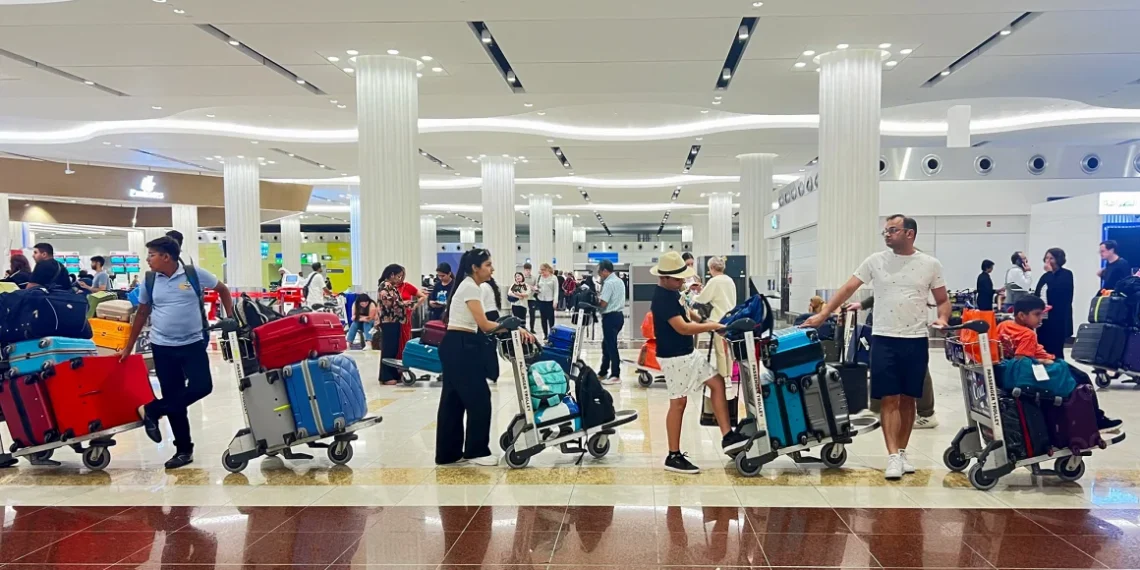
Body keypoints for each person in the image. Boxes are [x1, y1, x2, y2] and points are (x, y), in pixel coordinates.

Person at [804, 214, 949, 480]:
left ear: (909, 233)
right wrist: (824, 314)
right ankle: (892, 456)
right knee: (889, 398)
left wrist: (943, 317)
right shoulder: (875, 261)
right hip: (884, 338)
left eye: (892, 230)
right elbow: (848, 288)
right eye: (885, 230)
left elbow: (942, 299)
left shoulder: (930, 264)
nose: (887, 235)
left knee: (908, 399)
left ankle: (903, 453)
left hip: (915, 340)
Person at [120, 236, 234, 469]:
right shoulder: (150, 280)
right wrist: (129, 346)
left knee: (202, 387)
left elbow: (222, 289)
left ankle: (153, 409)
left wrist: (230, 317)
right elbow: (141, 313)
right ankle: (183, 450)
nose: (148, 259)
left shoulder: (193, 274)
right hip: (162, 346)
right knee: (175, 396)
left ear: (166, 257)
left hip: (192, 343)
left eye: (151, 254)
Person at [650, 251, 748, 474]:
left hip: (687, 352)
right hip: (674, 356)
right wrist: (711, 327)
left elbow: (688, 312)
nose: (682, 281)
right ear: (664, 277)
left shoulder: (673, 291)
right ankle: (673, 456)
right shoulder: (662, 299)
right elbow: (682, 327)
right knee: (679, 402)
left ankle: (727, 435)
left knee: (717, 383)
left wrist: (705, 320)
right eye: (677, 278)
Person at [436, 248, 532, 466]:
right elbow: (485, 325)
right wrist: (513, 329)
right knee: (479, 399)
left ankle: (448, 454)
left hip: (455, 345)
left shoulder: (470, 286)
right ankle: (476, 451)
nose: (492, 269)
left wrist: (510, 327)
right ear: (475, 268)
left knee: (453, 402)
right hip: (461, 346)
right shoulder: (470, 287)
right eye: (488, 264)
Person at [997, 295, 1121, 431]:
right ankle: (1097, 419)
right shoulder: (1028, 334)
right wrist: (1044, 361)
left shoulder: (1004, 325)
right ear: (1021, 315)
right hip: (1044, 364)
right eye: (1037, 314)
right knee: (1083, 379)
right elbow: (1021, 359)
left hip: (1013, 368)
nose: (1040, 318)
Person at [846, 295, 939, 429]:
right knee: (880, 365)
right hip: (888, 325)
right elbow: (883, 290)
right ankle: (876, 409)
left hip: (910, 327)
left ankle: (926, 414)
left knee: (919, 371)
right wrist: (862, 304)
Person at [694, 256, 738, 382]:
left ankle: (723, 376)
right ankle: (729, 375)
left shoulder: (714, 281)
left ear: (712, 268)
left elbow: (703, 299)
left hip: (718, 319)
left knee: (720, 350)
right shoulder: (729, 280)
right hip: (731, 318)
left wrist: (693, 296)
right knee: (728, 349)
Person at [377, 264, 416, 385]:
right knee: (388, 349)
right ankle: (386, 376)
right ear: (392, 275)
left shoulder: (392, 287)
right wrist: (405, 304)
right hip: (388, 321)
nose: (400, 279)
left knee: (394, 349)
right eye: (398, 276)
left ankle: (393, 373)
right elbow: (388, 303)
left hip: (395, 321)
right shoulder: (385, 286)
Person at [1035, 248, 1074, 360]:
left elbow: (1057, 291)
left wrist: (1049, 273)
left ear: (1058, 259)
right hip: (1044, 317)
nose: (1048, 261)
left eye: (1051, 258)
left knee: (1056, 348)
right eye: (1046, 258)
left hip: (1058, 317)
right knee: (1043, 346)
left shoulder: (1066, 274)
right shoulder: (1045, 276)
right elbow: (1038, 293)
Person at [596, 260, 627, 385]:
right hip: (619, 316)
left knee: (611, 346)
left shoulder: (608, 283)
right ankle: (603, 371)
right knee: (607, 344)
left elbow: (604, 303)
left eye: (600, 272)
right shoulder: (619, 281)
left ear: (604, 271)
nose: (600, 275)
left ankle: (615, 374)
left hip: (610, 317)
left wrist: (596, 303)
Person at [535, 263, 559, 337]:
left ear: (547, 269)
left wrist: (555, 301)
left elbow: (556, 290)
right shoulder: (539, 277)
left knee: (551, 318)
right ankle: (545, 334)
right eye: (541, 270)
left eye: (543, 270)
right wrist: (536, 289)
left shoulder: (554, 278)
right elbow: (537, 286)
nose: (542, 272)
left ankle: (552, 334)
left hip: (550, 301)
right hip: (541, 300)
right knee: (543, 319)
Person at [522, 262, 539, 330]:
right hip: (523, 298)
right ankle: (524, 327)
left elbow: (536, 287)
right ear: (524, 270)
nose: (528, 271)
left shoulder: (534, 278)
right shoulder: (521, 278)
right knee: (523, 314)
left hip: (532, 298)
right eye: (526, 270)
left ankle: (532, 328)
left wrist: (534, 288)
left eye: (529, 270)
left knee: (532, 314)